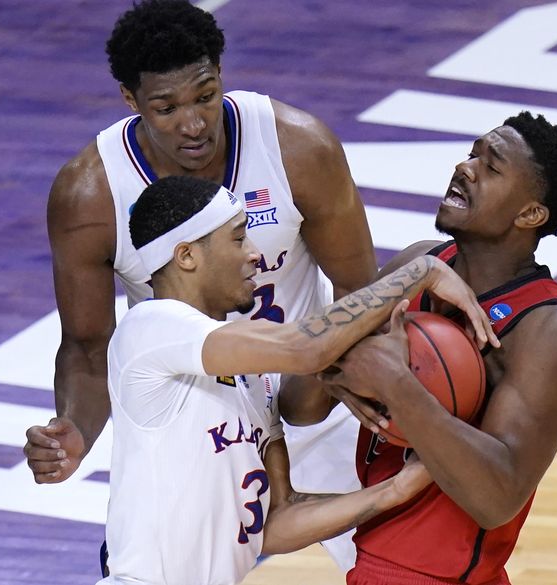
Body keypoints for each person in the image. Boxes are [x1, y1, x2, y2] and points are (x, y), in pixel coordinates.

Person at [23, 0, 377, 559]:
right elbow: (89, 349)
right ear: (130, 101)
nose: (192, 125)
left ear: (222, 75)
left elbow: (360, 289)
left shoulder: (299, 147)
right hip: (202, 415)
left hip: (323, 385)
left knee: (403, 561)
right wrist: (74, 428)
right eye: (165, 108)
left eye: (206, 96)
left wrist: (326, 385)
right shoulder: (90, 194)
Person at [98, 174, 494, 585]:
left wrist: (392, 491)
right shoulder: (148, 327)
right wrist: (419, 274)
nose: (256, 255)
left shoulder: (255, 375)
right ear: (186, 256)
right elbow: (305, 349)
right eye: (238, 239)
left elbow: (276, 519)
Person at [280, 111, 557, 584]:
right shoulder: (419, 264)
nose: (465, 168)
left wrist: (395, 382)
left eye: (491, 167)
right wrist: (334, 357)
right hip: (370, 560)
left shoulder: (549, 330)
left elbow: (497, 498)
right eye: (471, 154)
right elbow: (300, 408)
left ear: (530, 214)